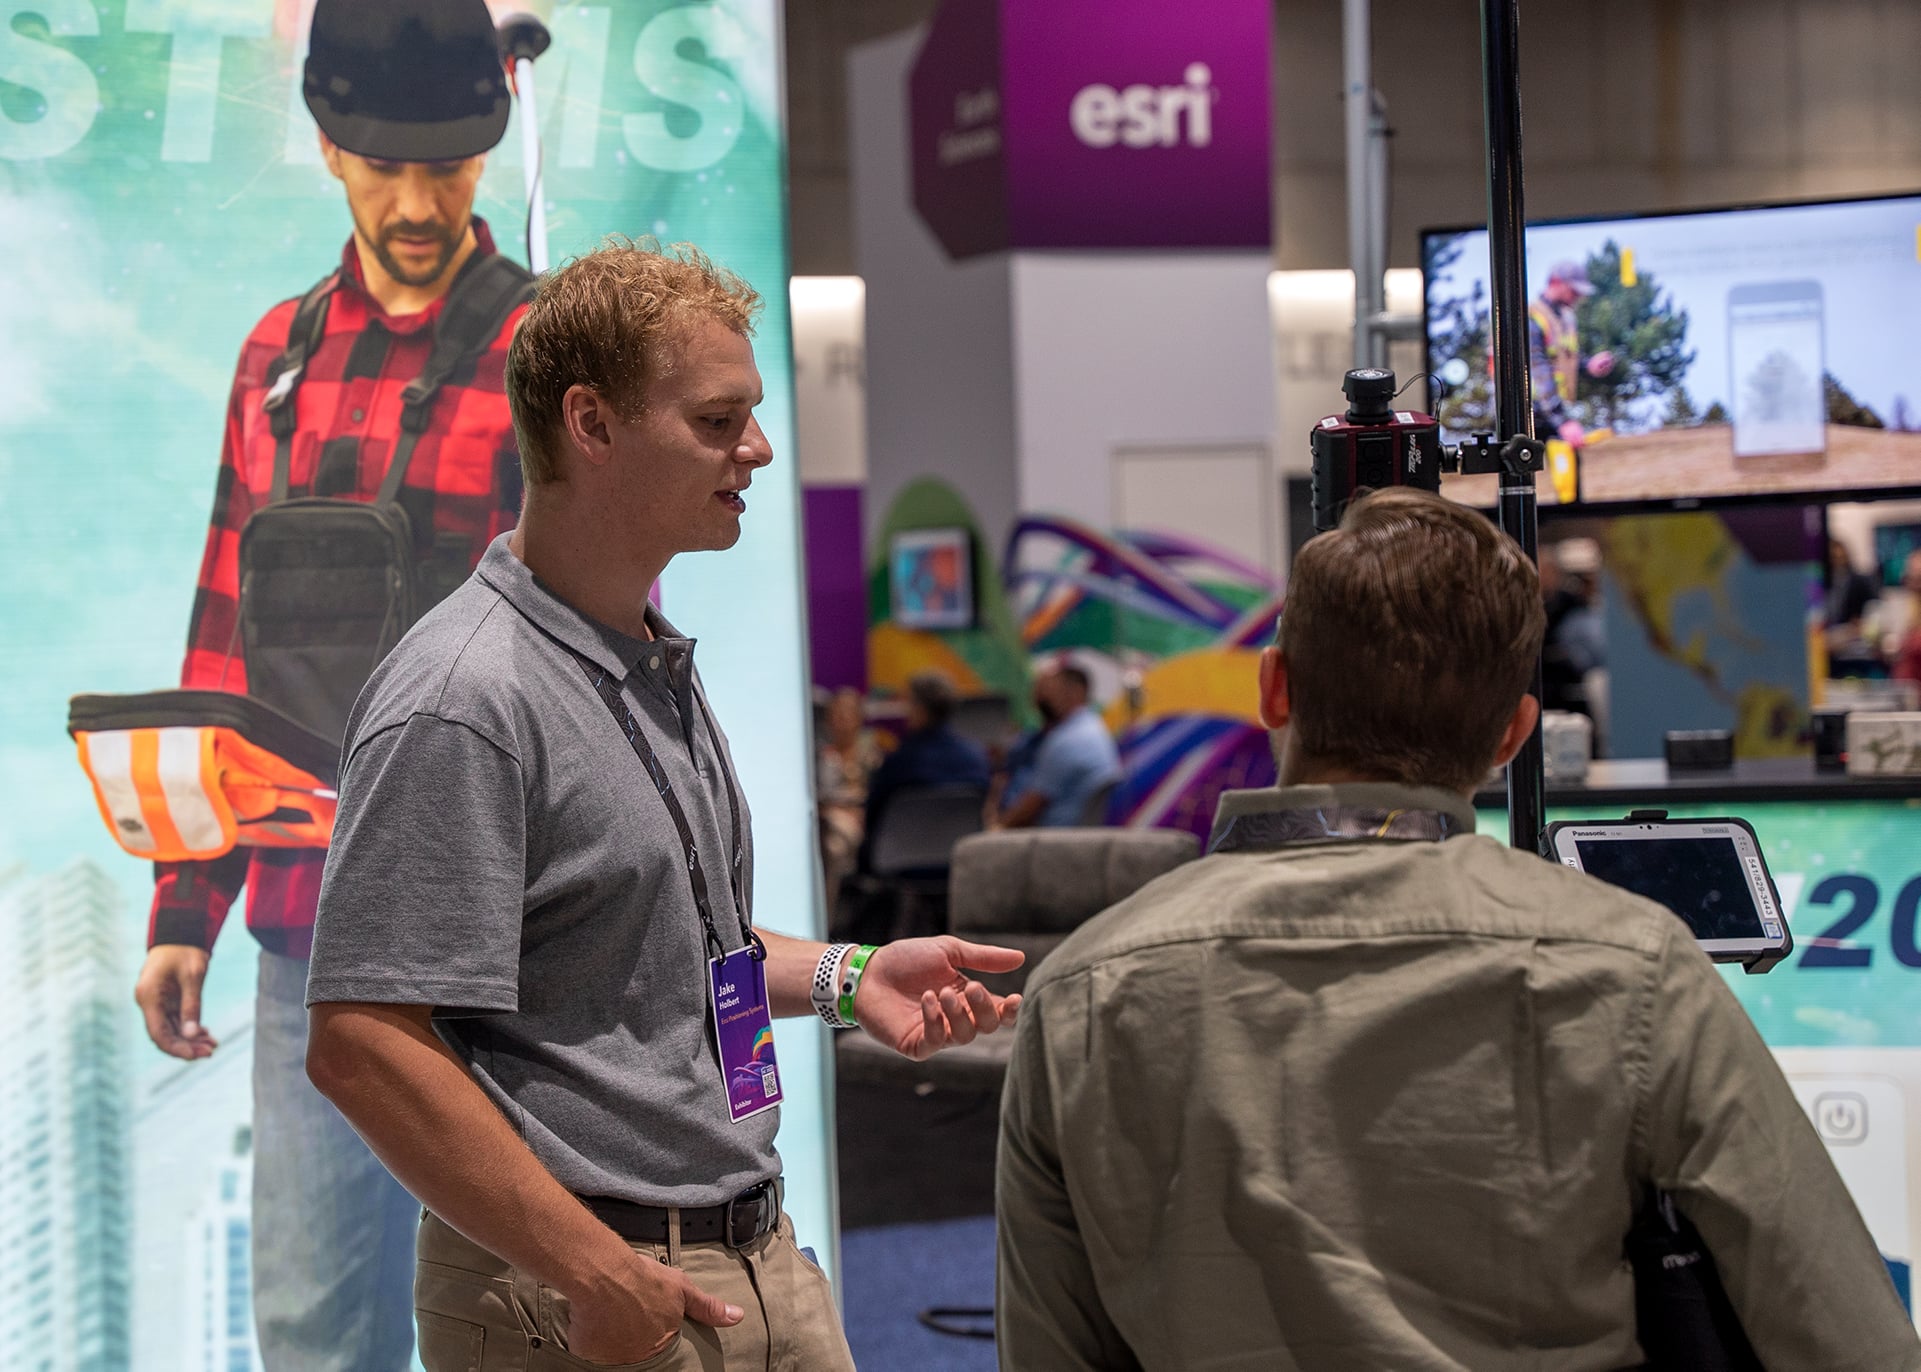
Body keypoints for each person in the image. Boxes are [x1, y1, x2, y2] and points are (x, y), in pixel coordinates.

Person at [304, 241, 1026, 1372]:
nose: (759, 449)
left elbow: (673, 949)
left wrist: (847, 976)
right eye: (716, 419)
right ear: (590, 425)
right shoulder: (464, 697)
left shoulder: (641, 658)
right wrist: (595, 1272)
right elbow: (361, 1043)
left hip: (754, 1252)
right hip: (589, 1290)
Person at [997, 488, 1917, 1371]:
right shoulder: (1633, 968)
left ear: (1273, 689)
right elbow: (1838, 1330)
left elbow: (1047, 1351)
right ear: (1513, 734)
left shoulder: (1080, 991)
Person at [131, 3, 529, 1366]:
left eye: (453, 167)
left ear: (493, 143)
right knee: (310, 1333)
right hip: (314, 928)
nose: (417, 203)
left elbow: (614, 657)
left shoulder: (552, 349)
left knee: (519, 1318)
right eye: (381, 165)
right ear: (325, 144)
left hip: (511, 934)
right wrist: (187, 902)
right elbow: (220, 648)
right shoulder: (276, 357)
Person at [861, 671, 992, 854]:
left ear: (920, 710)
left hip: (899, 859)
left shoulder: (901, 761)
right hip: (958, 855)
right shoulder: (976, 758)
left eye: (909, 703)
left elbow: (873, 814)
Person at [992, 664, 1121, 828]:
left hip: (1051, 839)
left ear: (1076, 692)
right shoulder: (1093, 728)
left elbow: (1028, 809)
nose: (1042, 698)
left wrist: (994, 831)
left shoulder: (1067, 740)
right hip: (1077, 835)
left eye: (1052, 690)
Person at [1530, 259, 1614, 448]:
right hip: (1530, 418)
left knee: (1568, 474)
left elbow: (1563, 357)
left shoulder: (1566, 318)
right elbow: (1539, 369)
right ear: (1555, 283)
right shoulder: (1532, 317)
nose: (1578, 296)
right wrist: (1563, 420)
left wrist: (1588, 365)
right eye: (1574, 289)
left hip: (1552, 414)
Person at [816, 686, 884, 905]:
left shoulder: (872, 753)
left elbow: (877, 794)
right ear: (828, 719)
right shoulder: (822, 756)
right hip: (830, 822)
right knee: (832, 843)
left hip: (863, 822)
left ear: (859, 718)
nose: (842, 720)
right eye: (837, 714)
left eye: (848, 713)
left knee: (835, 845)